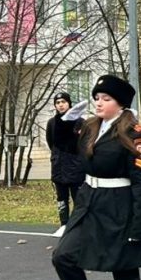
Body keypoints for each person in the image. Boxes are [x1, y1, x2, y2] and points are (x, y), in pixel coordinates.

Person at [51, 75, 141, 280]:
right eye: (97, 97)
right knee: (62, 257)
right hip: (89, 203)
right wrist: (64, 121)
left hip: (119, 208)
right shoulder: (91, 126)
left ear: (120, 104)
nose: (99, 102)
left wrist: (139, 229)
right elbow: (63, 146)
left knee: (126, 278)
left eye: (106, 99)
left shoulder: (134, 132)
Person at [46, 92, 86, 236]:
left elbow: (83, 144)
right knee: (61, 198)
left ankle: (77, 226)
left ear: (69, 103)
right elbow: (51, 142)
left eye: (63, 101)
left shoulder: (80, 121)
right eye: (58, 102)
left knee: (78, 198)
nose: (61, 105)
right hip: (59, 167)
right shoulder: (52, 123)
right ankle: (64, 224)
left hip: (76, 167)